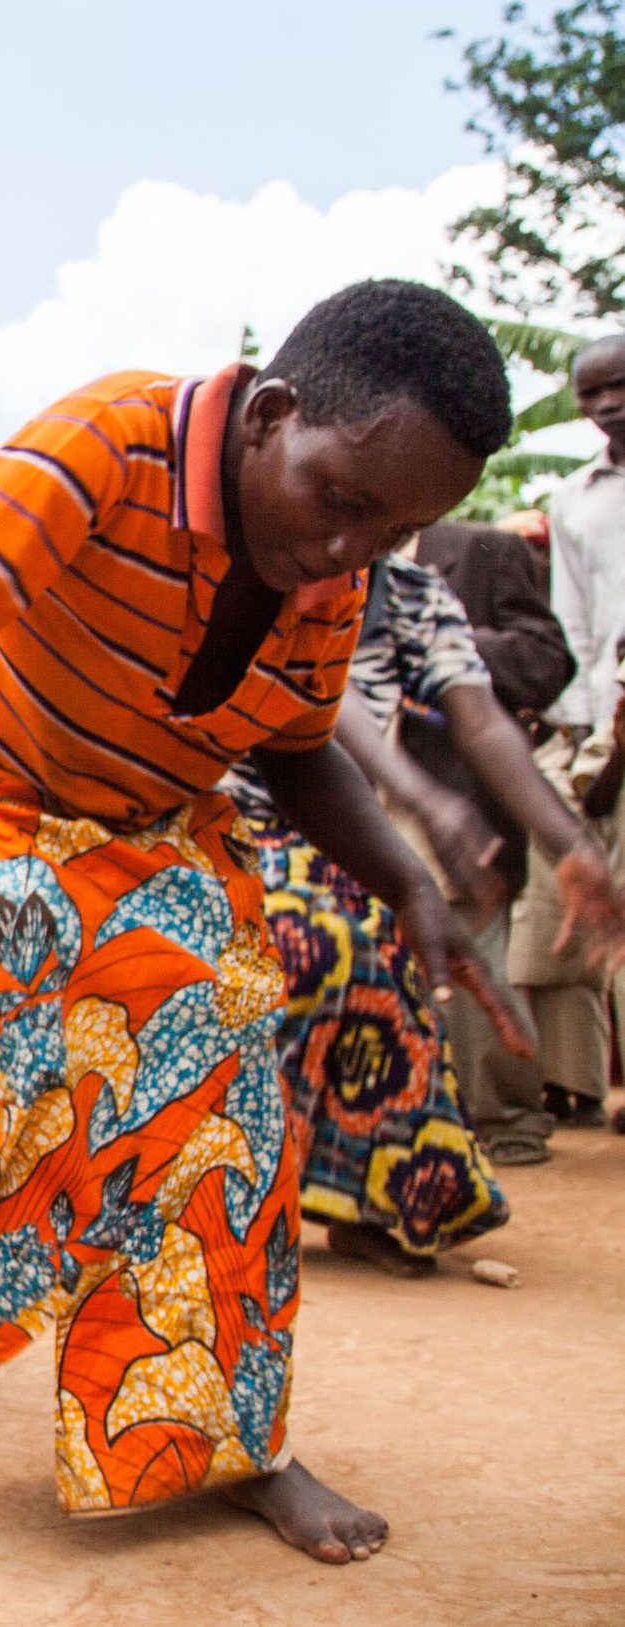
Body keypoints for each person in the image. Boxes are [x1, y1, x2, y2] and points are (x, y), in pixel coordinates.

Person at [0, 280, 522, 1564]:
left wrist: (411, 883)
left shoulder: (332, 573)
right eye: (341, 499)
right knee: (13, 934)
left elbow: (302, 755)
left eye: (393, 530)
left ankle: (233, 1441)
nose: (348, 549)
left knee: (223, 1110)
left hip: (154, 825)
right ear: (267, 413)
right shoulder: (113, 438)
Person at [232, 548, 624, 1275]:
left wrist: (568, 843)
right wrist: (428, 805)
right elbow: (324, 708)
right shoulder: (268, 561)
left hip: (332, 843)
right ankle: (236, 1188)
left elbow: (483, 725)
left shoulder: (413, 594)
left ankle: (377, 1199)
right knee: (322, 943)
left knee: (398, 968)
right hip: (216, 829)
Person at [406, 521, 579, 1163]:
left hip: (461, 800)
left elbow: (546, 661)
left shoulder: (483, 550)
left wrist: (450, 648)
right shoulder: (327, 555)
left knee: (474, 963)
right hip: (365, 797)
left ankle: (508, 1117)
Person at [527, 332, 625, 1130]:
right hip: (611, 727)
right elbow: (575, 629)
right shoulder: (575, 500)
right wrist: (586, 736)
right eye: (591, 394)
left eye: (618, 386)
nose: (607, 406)